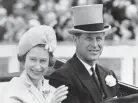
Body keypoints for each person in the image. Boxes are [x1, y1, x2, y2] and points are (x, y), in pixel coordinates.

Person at [49, 4, 121, 103]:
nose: (95, 44)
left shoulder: (108, 73)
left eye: (99, 38)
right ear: (75, 40)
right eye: (89, 38)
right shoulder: (62, 77)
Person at [0, 25, 68, 103]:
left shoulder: (53, 89)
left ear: (49, 62)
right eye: (33, 59)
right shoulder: (12, 90)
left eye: (43, 61)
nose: (38, 67)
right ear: (24, 59)